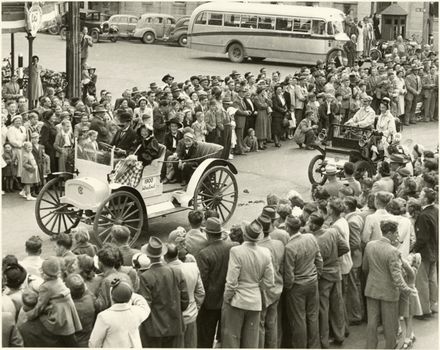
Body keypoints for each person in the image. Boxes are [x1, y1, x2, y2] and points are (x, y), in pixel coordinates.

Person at [221, 220, 274, 348]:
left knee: (232, 341)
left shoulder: (236, 251)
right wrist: (256, 287)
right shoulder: (265, 252)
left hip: (237, 301)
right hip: (255, 301)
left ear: (244, 235)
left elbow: (232, 281)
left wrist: (227, 298)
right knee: (251, 343)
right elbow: (269, 281)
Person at [363, 220, 413, 349]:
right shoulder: (393, 251)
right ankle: (390, 347)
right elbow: (397, 277)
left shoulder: (369, 245)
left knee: (372, 322)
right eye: (396, 233)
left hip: (372, 288)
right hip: (389, 292)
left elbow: (365, 268)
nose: (397, 236)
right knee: (390, 324)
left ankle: (370, 347)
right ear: (389, 233)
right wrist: (407, 289)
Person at [138, 237, 189, 347]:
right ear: (162, 255)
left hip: (154, 329)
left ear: (148, 256)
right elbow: (185, 300)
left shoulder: (145, 276)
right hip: (175, 325)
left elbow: (145, 306)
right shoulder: (176, 272)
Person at [196, 217, 238, 348]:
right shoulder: (233, 247)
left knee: (205, 338)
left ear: (208, 235)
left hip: (209, 303)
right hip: (228, 300)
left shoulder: (204, 254)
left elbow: (203, 281)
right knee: (224, 337)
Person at [284, 215, 322, 348]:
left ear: (288, 228)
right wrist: (317, 275)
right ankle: (314, 346)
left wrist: (288, 288)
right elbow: (319, 259)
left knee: (299, 318)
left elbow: (289, 274)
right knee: (312, 316)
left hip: (297, 286)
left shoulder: (289, 247)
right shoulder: (310, 237)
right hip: (312, 281)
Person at [25, 257, 82, 346]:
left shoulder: (45, 287)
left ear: (45, 274)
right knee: (71, 340)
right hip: (68, 312)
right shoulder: (58, 280)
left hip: (59, 317)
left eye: (42, 271)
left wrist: (28, 315)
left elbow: (40, 307)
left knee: (40, 321)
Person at [89, 278, 150, 348]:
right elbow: (143, 303)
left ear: (111, 297)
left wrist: (117, 289)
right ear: (130, 297)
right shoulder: (136, 312)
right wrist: (126, 290)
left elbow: (94, 343)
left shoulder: (104, 316)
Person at [165, 243, 205, 348]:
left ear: (164, 256)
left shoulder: (163, 272)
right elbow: (200, 292)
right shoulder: (192, 267)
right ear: (177, 254)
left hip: (172, 320)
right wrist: (196, 308)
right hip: (191, 315)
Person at [256, 215, 285, 348]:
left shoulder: (258, 247)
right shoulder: (278, 244)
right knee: (272, 323)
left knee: (261, 324)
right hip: (277, 286)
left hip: (263, 290)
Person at [413, 187, 438, 318]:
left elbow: (422, 238)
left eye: (421, 195)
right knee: (432, 279)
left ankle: (424, 309)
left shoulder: (423, 216)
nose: (419, 197)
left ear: (426, 199)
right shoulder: (436, 210)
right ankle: (433, 304)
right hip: (434, 249)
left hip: (425, 251)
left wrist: (413, 250)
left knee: (422, 281)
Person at [65, 274, 96, 347]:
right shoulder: (90, 299)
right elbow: (88, 292)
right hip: (88, 341)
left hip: (72, 343)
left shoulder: (67, 307)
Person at [400, 253, 423, 349]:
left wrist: (400, 257)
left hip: (410, 295)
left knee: (409, 318)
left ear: (413, 262)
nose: (407, 260)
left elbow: (406, 267)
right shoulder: (408, 269)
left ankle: (407, 339)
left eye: (409, 259)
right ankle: (411, 334)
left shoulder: (413, 270)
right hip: (406, 295)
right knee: (406, 317)